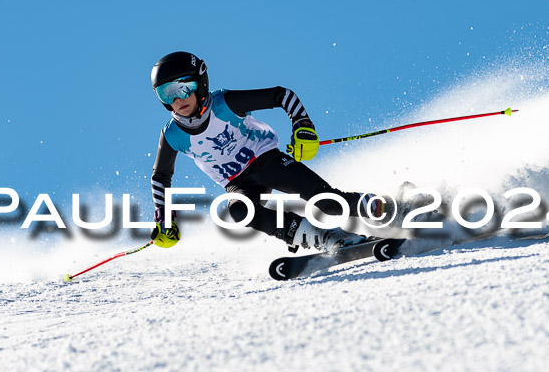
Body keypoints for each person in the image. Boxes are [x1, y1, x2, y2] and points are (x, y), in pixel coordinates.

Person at [148, 51, 384, 253]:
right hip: (238, 182)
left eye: (183, 88)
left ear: (200, 83)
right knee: (240, 210)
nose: (178, 99)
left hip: (267, 162)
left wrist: (302, 125)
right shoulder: (172, 135)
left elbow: (283, 95)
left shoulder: (225, 104)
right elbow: (160, 176)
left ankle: (386, 207)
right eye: (167, 94)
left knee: (327, 203)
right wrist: (163, 215)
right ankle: (323, 237)